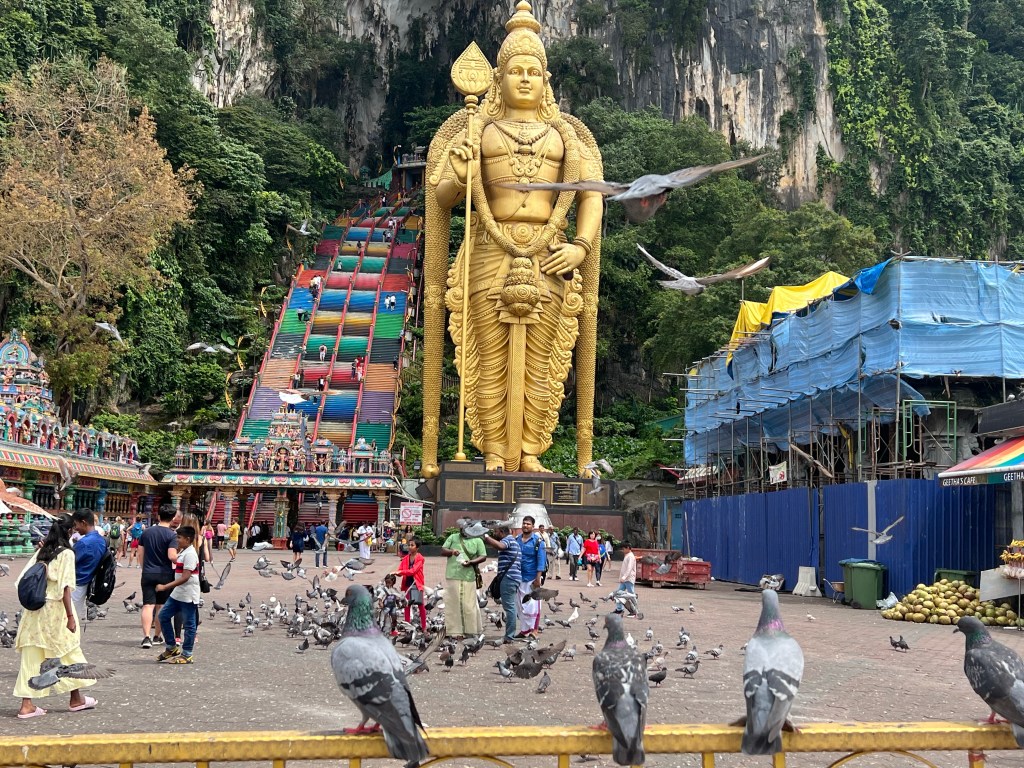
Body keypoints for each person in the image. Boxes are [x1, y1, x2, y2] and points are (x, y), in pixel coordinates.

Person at [420, 2, 603, 476]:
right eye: (515, 70)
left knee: (542, 363)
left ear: (546, 81)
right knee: (488, 356)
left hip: (549, 256)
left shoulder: (567, 138)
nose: (524, 79)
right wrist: (460, 170)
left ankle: (529, 451)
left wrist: (579, 246)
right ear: (497, 78)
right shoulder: (477, 131)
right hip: (488, 253)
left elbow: (592, 199)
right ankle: (494, 453)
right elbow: (441, 198)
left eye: (533, 71)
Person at [13, 513, 97, 718]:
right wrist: (70, 616)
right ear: (69, 532)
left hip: (35, 611)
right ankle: (76, 698)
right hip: (56, 611)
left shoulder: (42, 550)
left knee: (32, 656)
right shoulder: (67, 554)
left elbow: (22, 579)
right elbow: (66, 589)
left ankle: (27, 705)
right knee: (68, 652)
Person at [155, 526, 200, 664]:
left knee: (189, 625)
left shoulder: (190, 554)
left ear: (187, 539)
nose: (177, 540)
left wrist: (165, 587)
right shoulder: (184, 552)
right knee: (163, 616)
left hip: (188, 594)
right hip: (178, 593)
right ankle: (171, 647)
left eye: (179, 538)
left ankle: (187, 654)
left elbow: (185, 577)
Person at [138, 505, 178, 648]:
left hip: (148, 572)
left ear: (158, 516)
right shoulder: (172, 535)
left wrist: (145, 569)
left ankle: (146, 637)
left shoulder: (146, 532)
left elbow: (140, 554)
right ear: (173, 518)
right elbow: (172, 556)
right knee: (161, 606)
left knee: (148, 605)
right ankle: (157, 636)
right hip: (165, 573)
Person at [441, 523, 487, 639]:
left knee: (469, 605)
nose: (463, 530)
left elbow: (483, 556)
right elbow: (443, 550)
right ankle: (454, 632)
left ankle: (471, 630)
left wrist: (471, 562)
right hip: (453, 574)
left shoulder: (477, 540)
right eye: (461, 528)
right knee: (453, 603)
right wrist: (452, 552)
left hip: (469, 575)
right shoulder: (453, 537)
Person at [483, 524, 521, 643]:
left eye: (496, 532)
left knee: (509, 607)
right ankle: (510, 634)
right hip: (512, 578)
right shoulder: (514, 541)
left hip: (509, 578)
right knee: (511, 606)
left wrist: (486, 537)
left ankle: (509, 636)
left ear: (501, 532)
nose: (495, 534)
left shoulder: (508, 540)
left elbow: (500, 546)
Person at [70, 509, 106, 626]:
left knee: (67, 618)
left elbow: (69, 563)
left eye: (76, 524)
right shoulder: (101, 540)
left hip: (76, 583)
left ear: (83, 522)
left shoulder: (83, 543)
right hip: (87, 582)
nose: (75, 528)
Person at [514, 516, 546, 638]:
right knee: (520, 606)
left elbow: (541, 561)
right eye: (524, 523)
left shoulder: (538, 542)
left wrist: (538, 578)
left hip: (532, 578)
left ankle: (535, 630)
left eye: (528, 524)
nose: (525, 525)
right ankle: (524, 630)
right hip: (518, 578)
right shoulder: (517, 540)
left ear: (533, 527)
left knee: (533, 606)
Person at [392, 537, 426, 632]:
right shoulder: (406, 558)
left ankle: (424, 627)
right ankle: (407, 626)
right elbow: (400, 571)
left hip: (416, 583)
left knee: (420, 605)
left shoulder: (420, 558)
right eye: (409, 545)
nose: (410, 547)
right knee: (407, 605)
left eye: (412, 545)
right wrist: (395, 573)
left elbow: (413, 571)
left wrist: (400, 571)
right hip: (407, 583)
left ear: (417, 547)